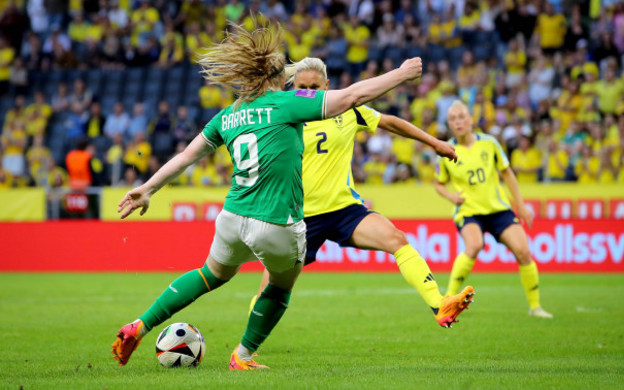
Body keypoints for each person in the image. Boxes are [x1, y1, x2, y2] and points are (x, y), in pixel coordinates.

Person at [111, 21, 425, 370]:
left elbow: (187, 156)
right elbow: (352, 96)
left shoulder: (227, 115)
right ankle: (242, 356)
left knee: (209, 275)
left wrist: (148, 188)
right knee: (281, 286)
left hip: (231, 217)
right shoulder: (287, 102)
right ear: (278, 80)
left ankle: (139, 324)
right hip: (276, 222)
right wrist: (400, 73)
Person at [248, 57, 474, 329]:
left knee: (397, 239)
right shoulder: (286, 113)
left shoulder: (346, 108)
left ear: (327, 85)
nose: (308, 92)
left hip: (345, 211)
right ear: (292, 86)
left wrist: (434, 142)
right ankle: (248, 346)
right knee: (271, 291)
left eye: (315, 87)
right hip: (300, 217)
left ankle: (439, 304)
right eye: (302, 86)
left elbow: (390, 122)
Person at [433, 101, 553, 319]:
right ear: (449, 124)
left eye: (461, 117)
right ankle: (448, 301)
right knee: (475, 244)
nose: (458, 122)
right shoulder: (445, 150)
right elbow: (438, 183)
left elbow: (507, 173)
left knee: (524, 252)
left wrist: (521, 205)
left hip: (498, 209)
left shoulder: (489, 143)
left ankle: (535, 307)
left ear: (471, 119)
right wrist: (451, 196)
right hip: (469, 211)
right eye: (453, 119)